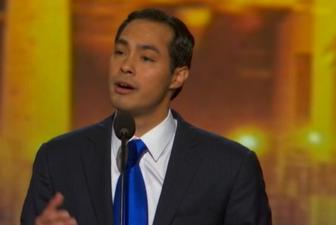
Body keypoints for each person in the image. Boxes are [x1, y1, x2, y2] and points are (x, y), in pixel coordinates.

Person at [21, 8, 272, 225]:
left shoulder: (230, 168)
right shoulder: (58, 159)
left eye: (146, 58)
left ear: (178, 76)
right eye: (120, 52)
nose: (126, 66)